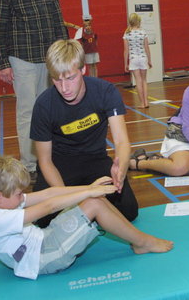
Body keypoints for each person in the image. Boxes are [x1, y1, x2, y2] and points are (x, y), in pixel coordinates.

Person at [0, 155, 173, 280]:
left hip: (43, 239)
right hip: (44, 259)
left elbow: (49, 194)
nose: (22, 197)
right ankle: (144, 242)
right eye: (19, 194)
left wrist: (90, 188)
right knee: (94, 202)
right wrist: (90, 193)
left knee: (97, 200)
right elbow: (49, 206)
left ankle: (139, 241)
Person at [31, 39, 138, 227]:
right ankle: (90, 210)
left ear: (83, 70)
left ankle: (90, 210)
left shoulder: (105, 92)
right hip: (60, 165)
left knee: (129, 211)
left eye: (70, 78)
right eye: (57, 80)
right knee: (42, 220)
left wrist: (120, 169)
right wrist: (66, 198)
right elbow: (45, 161)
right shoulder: (43, 105)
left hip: (95, 160)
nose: (64, 88)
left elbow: (121, 142)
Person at [0, 0, 68, 181]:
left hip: (49, 57)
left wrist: (65, 51)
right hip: (22, 58)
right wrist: (3, 62)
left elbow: (57, 15)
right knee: (28, 112)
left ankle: (51, 157)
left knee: (53, 109)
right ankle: (31, 165)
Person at [123, 13, 152, 109]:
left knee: (138, 81)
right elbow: (146, 47)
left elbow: (126, 50)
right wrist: (149, 60)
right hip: (143, 58)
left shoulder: (127, 33)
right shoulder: (143, 32)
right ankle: (146, 101)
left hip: (133, 59)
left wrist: (125, 63)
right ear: (138, 21)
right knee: (144, 80)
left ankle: (142, 103)